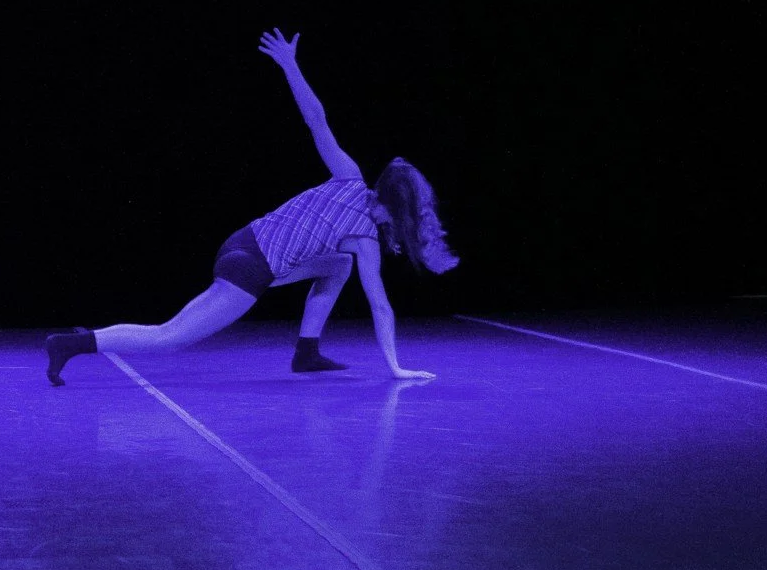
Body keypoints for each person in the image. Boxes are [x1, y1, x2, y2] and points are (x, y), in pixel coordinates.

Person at [43, 30, 457, 386]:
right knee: (170, 337)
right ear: (393, 208)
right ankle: (73, 344)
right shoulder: (362, 225)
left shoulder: (349, 181)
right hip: (250, 269)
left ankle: (306, 352)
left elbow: (319, 124)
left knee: (337, 265)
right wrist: (397, 368)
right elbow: (380, 304)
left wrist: (289, 64)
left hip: (243, 241)